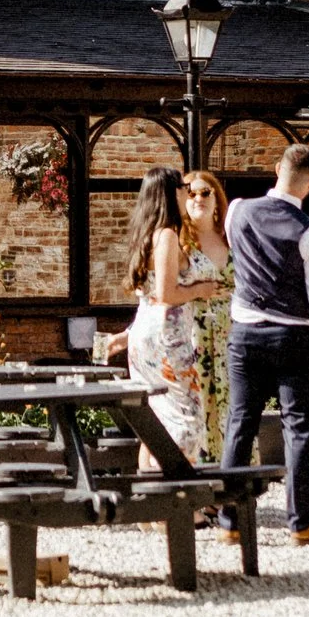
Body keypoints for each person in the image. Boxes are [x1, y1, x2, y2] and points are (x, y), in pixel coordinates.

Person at [216, 150, 309, 542]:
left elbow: (236, 258)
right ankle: (301, 523)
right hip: (292, 335)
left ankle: (230, 522)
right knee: (297, 427)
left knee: (240, 423)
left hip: (245, 333)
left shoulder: (238, 211)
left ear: (277, 169)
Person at [124, 168, 222, 464]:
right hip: (166, 339)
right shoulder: (166, 235)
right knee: (186, 419)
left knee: (156, 419)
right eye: (183, 188)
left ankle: (155, 500)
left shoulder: (148, 234)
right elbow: (168, 294)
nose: (188, 193)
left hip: (146, 335)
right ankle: (174, 498)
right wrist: (201, 288)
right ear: (172, 193)